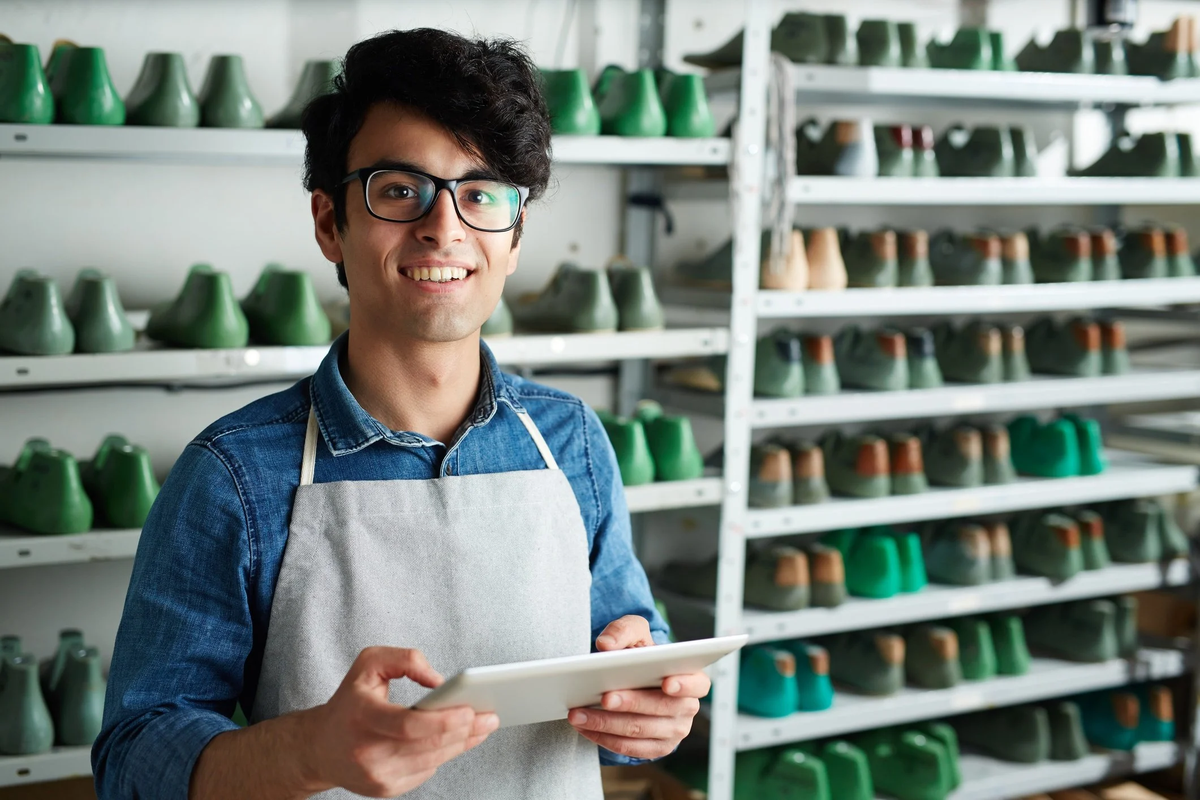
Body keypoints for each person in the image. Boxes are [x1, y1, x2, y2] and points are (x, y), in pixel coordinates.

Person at [92, 27, 708, 800]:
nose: (443, 226)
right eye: (398, 189)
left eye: (481, 193)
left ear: (514, 237)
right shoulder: (234, 476)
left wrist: (649, 712)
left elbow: (630, 662)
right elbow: (132, 759)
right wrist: (308, 751)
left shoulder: (572, 443)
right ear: (329, 224)